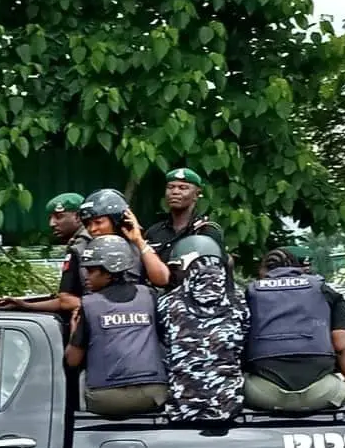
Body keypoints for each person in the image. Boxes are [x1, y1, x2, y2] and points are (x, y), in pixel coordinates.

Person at [242, 248, 345, 414]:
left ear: (264, 271)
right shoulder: (325, 291)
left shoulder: (249, 294)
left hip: (262, 395)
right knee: (342, 388)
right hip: (321, 393)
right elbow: (341, 346)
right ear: (299, 269)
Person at [64, 235, 169, 416]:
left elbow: (72, 361)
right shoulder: (149, 295)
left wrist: (74, 329)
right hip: (155, 395)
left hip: (105, 399)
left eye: (92, 271)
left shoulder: (89, 304)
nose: (86, 277)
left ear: (109, 272)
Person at [157, 235, 250, 422]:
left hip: (181, 410)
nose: (174, 275)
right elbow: (244, 344)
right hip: (229, 408)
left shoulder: (166, 303)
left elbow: (164, 342)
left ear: (188, 266)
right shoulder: (239, 300)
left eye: (176, 268)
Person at [0, 192, 91, 320]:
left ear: (78, 217)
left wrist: (25, 306)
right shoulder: (95, 241)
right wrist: (25, 305)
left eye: (59, 217)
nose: (52, 223)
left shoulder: (80, 247)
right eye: (51, 217)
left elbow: (66, 300)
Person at [77, 189, 171, 288]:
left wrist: (139, 241)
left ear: (117, 220)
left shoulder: (137, 248)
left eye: (98, 222)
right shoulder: (80, 249)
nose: (92, 229)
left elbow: (162, 280)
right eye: (88, 224)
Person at [144, 168, 230, 268]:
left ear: (196, 195)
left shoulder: (206, 232)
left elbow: (218, 273)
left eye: (183, 188)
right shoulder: (154, 232)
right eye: (170, 187)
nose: (175, 192)